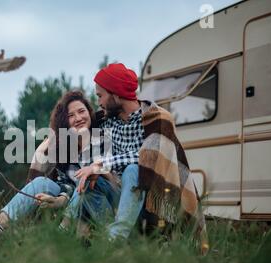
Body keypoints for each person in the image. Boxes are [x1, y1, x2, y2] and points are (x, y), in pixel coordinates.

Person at [74, 63, 208, 252]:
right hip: (121, 200)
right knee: (87, 181)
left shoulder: (158, 118)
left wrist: (100, 165)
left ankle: (116, 239)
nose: (99, 102)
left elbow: (148, 157)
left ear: (116, 94)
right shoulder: (107, 121)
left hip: (154, 204)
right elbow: (73, 127)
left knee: (133, 169)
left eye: (100, 96)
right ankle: (112, 239)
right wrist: (97, 171)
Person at [0, 90, 118, 241]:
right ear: (65, 122)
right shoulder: (65, 147)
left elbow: (107, 178)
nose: (78, 118)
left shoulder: (103, 137)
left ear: (89, 112)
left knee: (88, 178)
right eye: (71, 116)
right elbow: (66, 184)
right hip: (73, 202)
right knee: (41, 183)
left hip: (101, 204)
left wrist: (62, 200)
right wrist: (59, 199)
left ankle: (61, 234)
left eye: (82, 111)